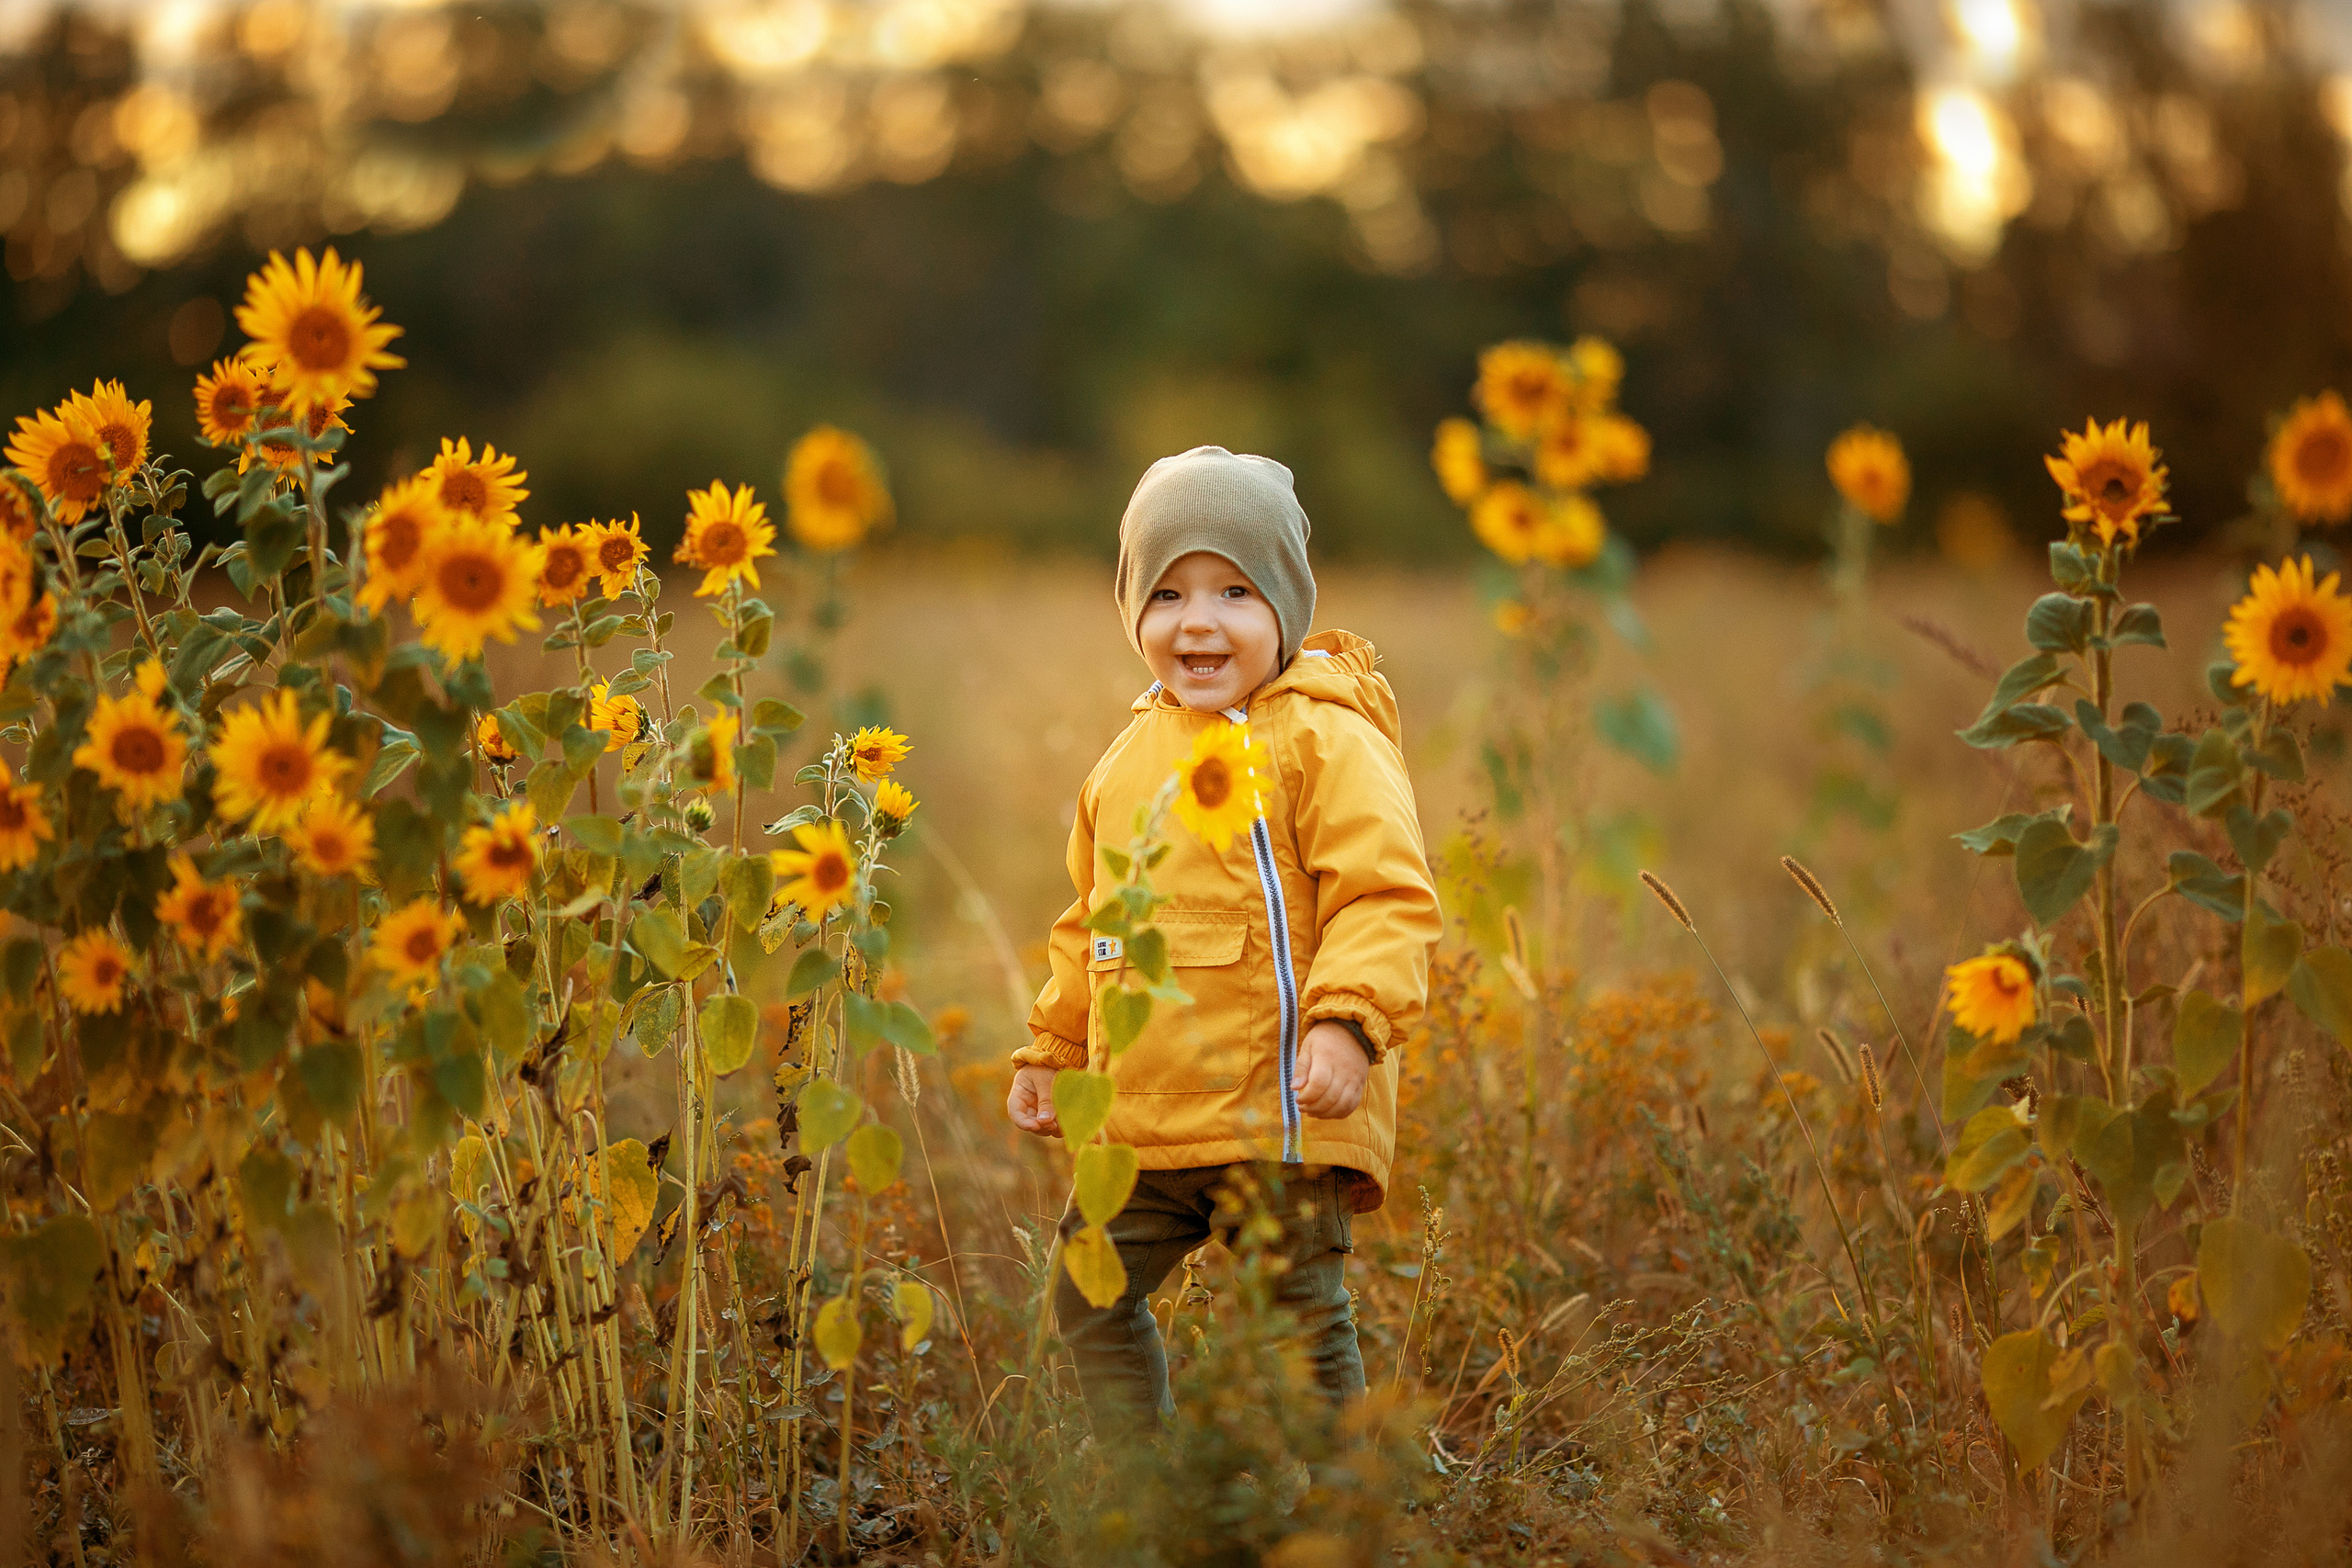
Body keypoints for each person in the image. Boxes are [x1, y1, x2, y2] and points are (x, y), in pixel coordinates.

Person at [1004, 445, 1443, 1436]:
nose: (1197, 620)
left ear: (1285, 605)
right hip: (1145, 1121)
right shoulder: (1126, 760)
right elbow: (1093, 919)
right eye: (1165, 594)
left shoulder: (1324, 742)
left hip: (1276, 1116)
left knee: (1300, 1336)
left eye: (1235, 590)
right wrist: (1057, 1046)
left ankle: (1347, 1508)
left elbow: (1385, 896)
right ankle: (1145, 1494)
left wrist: (1345, 1023)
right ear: (1133, 614)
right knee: (1088, 1297)